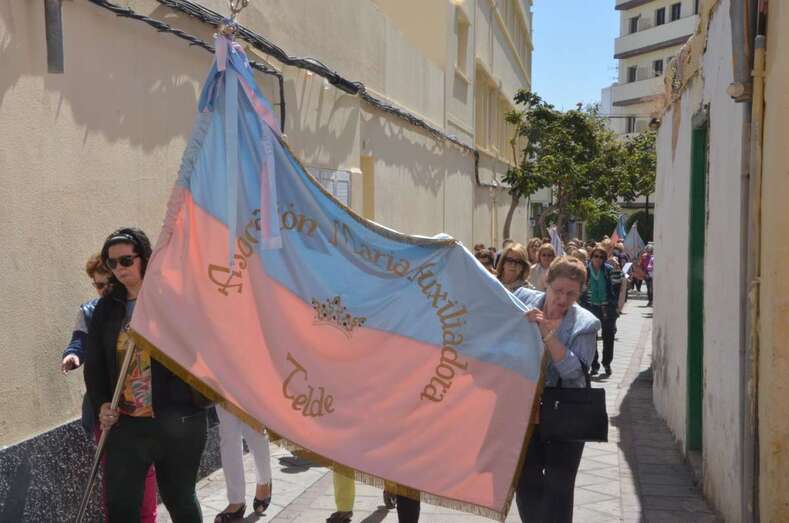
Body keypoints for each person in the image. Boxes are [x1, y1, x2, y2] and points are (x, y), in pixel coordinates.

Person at [85, 228, 210, 522]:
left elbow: (199, 349)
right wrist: (102, 402)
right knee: (120, 504)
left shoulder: (173, 299)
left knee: (179, 498)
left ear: (144, 259)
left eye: (126, 261)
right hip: (127, 422)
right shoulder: (107, 307)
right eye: (111, 263)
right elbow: (95, 365)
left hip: (178, 421)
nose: (119, 269)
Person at [62, 254, 158, 523]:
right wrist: (73, 356)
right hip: (106, 408)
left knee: (145, 473)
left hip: (140, 405)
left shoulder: (140, 307)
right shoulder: (91, 311)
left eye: (107, 283)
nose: (103, 290)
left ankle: (147, 518)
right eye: (97, 285)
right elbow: (79, 342)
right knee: (110, 472)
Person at [513, 256, 600, 523]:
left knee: (558, 491)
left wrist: (548, 335)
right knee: (525, 484)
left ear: (580, 292)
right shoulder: (521, 299)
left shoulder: (586, 323)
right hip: (523, 412)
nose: (563, 299)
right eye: (558, 291)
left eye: (571, 294)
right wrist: (518, 324)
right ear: (545, 283)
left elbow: (575, 375)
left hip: (565, 414)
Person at [213, 406, 273, 521]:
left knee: (255, 432)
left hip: (249, 388)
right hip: (223, 388)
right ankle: (236, 501)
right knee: (228, 437)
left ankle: (264, 482)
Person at [582, 245, 619, 377]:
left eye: (601, 257)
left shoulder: (609, 270)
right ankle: (594, 365)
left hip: (607, 307)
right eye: (596, 256)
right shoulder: (585, 270)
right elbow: (580, 288)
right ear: (591, 257)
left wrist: (617, 305)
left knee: (608, 337)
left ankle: (607, 363)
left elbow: (618, 286)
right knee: (592, 337)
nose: (598, 259)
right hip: (590, 307)